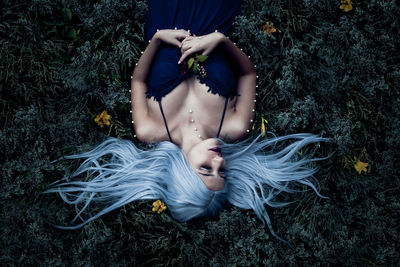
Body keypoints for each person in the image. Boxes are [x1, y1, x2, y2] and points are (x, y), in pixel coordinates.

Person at [44, 0, 330, 248]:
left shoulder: (149, 130)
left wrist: (156, 40)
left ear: (182, 172)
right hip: (216, 12)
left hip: (167, 13)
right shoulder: (234, 127)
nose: (217, 161)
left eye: (205, 169)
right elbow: (248, 75)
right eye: (222, 171)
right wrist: (221, 41)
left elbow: (139, 81)